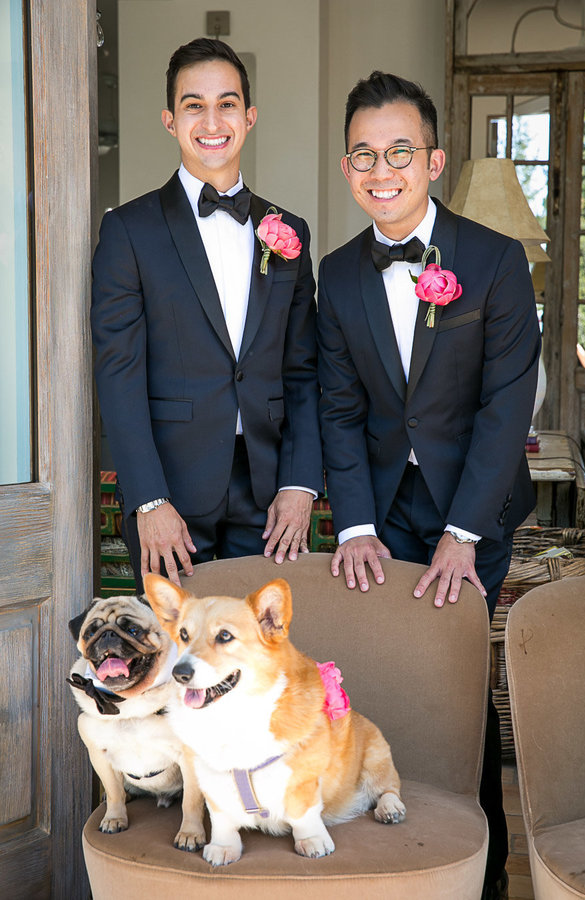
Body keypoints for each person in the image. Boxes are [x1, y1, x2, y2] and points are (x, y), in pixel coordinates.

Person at [317, 72, 541, 900]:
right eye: (366, 155)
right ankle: (387, 872)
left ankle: (481, 877)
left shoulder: (494, 261)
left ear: (434, 160)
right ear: (348, 168)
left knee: (454, 697)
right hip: (380, 512)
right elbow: (337, 409)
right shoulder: (337, 276)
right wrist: (354, 526)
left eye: (401, 151)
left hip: (472, 510)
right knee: (377, 683)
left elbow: (504, 406)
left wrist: (464, 533)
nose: (384, 170)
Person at [91, 38, 322, 592]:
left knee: (259, 661)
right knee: (181, 664)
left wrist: (300, 484)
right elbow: (118, 374)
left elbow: (304, 371)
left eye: (226, 103)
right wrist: (148, 498)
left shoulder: (288, 230)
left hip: (268, 498)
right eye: (194, 104)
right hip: (171, 494)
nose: (211, 119)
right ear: (171, 120)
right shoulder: (129, 231)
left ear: (249, 116)